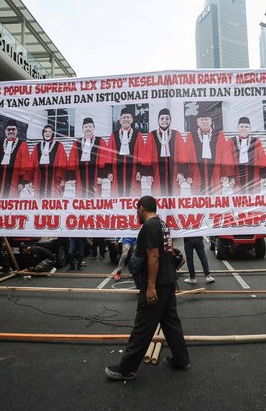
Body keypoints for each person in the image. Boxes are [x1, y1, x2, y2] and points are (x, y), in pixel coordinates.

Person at [105, 196, 190, 380]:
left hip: (157, 284)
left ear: (142, 208)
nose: (136, 213)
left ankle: (127, 369)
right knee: (171, 323)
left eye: (137, 210)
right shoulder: (163, 224)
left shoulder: (149, 227)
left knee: (142, 326)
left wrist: (151, 287)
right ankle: (181, 359)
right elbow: (169, 251)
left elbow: (153, 256)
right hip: (167, 281)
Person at [141, 108, 188, 196]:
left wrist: (181, 172)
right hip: (156, 171)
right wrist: (148, 174)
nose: (164, 120)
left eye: (167, 118)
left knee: (174, 196)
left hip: (174, 171)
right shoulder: (152, 135)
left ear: (170, 120)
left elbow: (182, 154)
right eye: (162, 118)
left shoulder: (176, 134)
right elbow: (147, 154)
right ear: (158, 120)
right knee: (158, 195)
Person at [184, 107, 230, 195]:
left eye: (206, 119)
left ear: (211, 121)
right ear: (197, 122)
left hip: (215, 173)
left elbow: (225, 155)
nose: (204, 122)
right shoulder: (191, 136)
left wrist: (224, 173)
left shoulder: (219, 135)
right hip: (197, 173)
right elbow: (187, 156)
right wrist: (188, 174)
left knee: (215, 201)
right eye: (202, 120)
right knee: (198, 201)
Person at [0, 119, 30, 198]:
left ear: (17, 131)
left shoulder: (23, 145)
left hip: (14, 182)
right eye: (9, 129)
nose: (11, 131)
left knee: (12, 203)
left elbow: (25, 164)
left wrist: (22, 182)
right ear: (5, 131)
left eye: (13, 129)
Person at [107, 108, 146, 197]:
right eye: (124, 117)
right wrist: (109, 171)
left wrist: (140, 170)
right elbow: (109, 154)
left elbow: (142, 154)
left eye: (128, 117)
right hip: (117, 170)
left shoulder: (138, 135)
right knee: (117, 194)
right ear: (120, 120)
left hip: (133, 170)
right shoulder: (114, 135)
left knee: (133, 195)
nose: (126, 119)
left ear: (132, 120)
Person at [67, 117, 107, 198]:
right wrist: (73, 176)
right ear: (82, 129)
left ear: (94, 128)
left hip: (95, 175)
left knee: (95, 198)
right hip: (80, 175)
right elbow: (72, 159)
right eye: (85, 127)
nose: (88, 129)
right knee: (81, 198)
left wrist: (101, 175)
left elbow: (104, 158)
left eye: (90, 126)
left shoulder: (100, 141)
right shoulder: (77, 143)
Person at [226, 117, 266, 194]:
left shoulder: (256, 141)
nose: (244, 129)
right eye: (241, 126)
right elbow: (228, 160)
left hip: (254, 174)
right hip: (237, 174)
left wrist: (263, 176)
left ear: (250, 128)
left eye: (246, 127)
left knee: (253, 199)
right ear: (237, 128)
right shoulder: (231, 141)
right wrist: (231, 177)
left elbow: (262, 158)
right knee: (238, 199)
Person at [27, 124, 67, 198]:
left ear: (53, 133)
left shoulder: (59, 145)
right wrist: (30, 180)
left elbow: (63, 162)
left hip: (53, 179)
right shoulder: (37, 146)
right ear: (43, 133)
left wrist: (62, 178)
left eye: (50, 132)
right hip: (39, 177)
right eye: (45, 131)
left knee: (53, 200)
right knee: (39, 200)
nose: (47, 133)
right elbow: (31, 163)